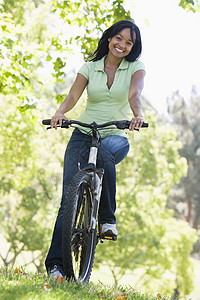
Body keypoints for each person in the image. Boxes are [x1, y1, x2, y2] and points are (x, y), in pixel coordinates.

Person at [45, 19, 145, 279]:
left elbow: (135, 94)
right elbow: (73, 95)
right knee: (68, 200)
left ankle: (107, 219)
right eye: (118, 38)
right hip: (83, 133)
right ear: (110, 38)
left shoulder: (136, 67)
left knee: (105, 153)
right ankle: (55, 266)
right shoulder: (89, 67)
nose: (122, 44)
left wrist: (137, 114)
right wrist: (60, 112)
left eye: (129, 42)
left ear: (133, 47)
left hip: (115, 134)